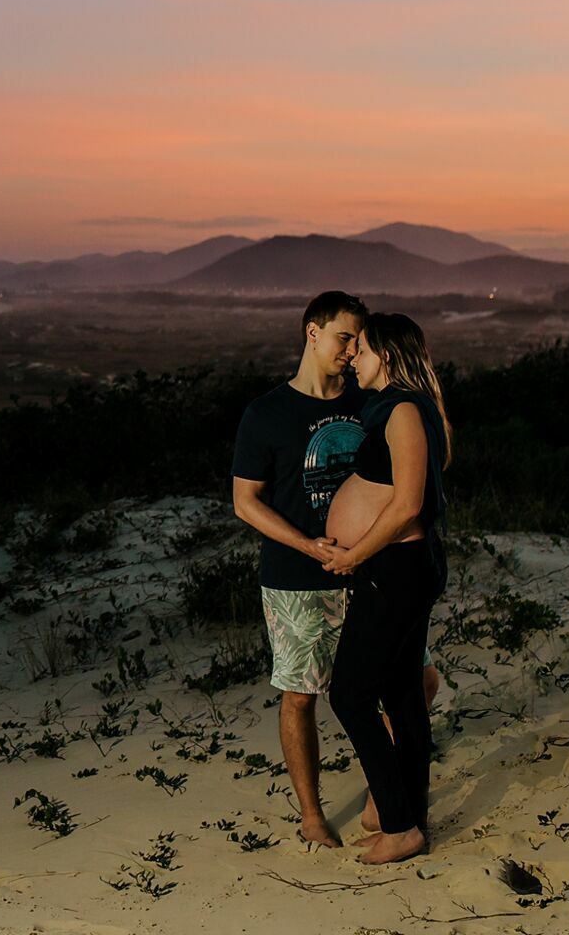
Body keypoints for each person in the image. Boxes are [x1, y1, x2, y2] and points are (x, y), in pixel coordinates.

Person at [230, 291, 370, 849]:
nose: (353, 349)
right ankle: (312, 815)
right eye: (344, 337)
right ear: (312, 332)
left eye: (359, 340)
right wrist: (310, 547)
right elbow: (246, 502)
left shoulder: (368, 402)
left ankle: (382, 793)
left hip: (368, 572)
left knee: (409, 681)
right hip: (296, 577)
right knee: (300, 694)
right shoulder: (267, 413)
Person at [321, 312, 453, 864]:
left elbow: (407, 505)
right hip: (393, 567)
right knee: (400, 694)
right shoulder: (393, 407)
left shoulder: (402, 410)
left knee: (349, 693)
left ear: (390, 356)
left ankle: (399, 825)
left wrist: (353, 553)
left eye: (364, 349)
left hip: (396, 568)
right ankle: (409, 815)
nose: (354, 356)